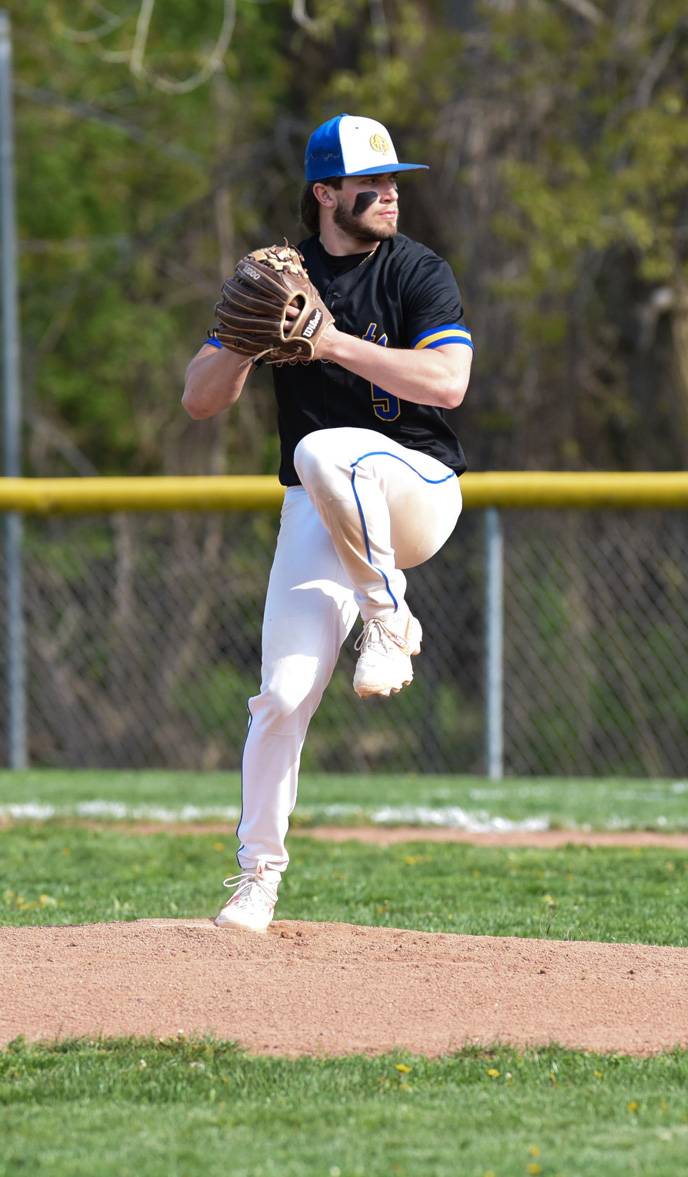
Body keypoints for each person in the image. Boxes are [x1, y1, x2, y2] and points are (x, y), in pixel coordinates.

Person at [182, 113, 473, 933]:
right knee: (280, 694)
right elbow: (199, 401)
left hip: (415, 491)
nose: (389, 195)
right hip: (322, 507)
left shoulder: (418, 271)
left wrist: (332, 342)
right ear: (324, 194)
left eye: (393, 182)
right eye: (370, 184)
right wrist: (242, 340)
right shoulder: (282, 275)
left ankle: (390, 616)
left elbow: (447, 383)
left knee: (326, 450)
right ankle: (256, 878)